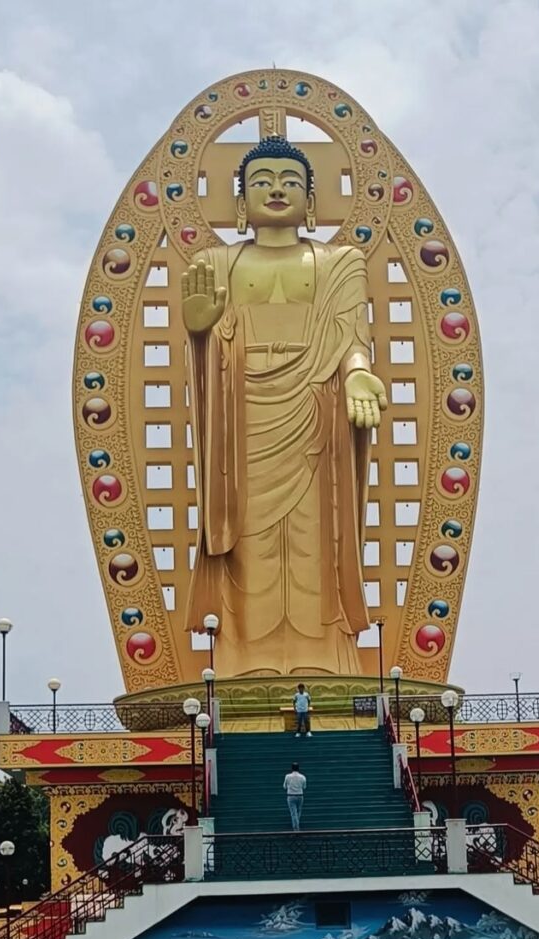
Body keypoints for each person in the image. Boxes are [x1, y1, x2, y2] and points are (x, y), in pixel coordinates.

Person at [183, 135, 387, 677]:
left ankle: (322, 663)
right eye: (262, 181)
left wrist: (360, 375)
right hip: (239, 415)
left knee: (315, 537)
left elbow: (352, 338)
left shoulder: (341, 261)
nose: (276, 190)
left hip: (314, 409)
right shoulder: (216, 261)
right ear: (240, 199)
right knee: (245, 537)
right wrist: (201, 330)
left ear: (311, 197)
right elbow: (204, 348)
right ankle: (243, 664)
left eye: (290, 181)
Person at [283, 762, 307, 831]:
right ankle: (296, 826)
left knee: (293, 813)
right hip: (300, 795)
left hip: (291, 796)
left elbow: (284, 786)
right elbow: (304, 787)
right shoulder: (302, 777)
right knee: (298, 812)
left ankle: (296, 829)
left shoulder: (287, 776)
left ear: (292, 768)